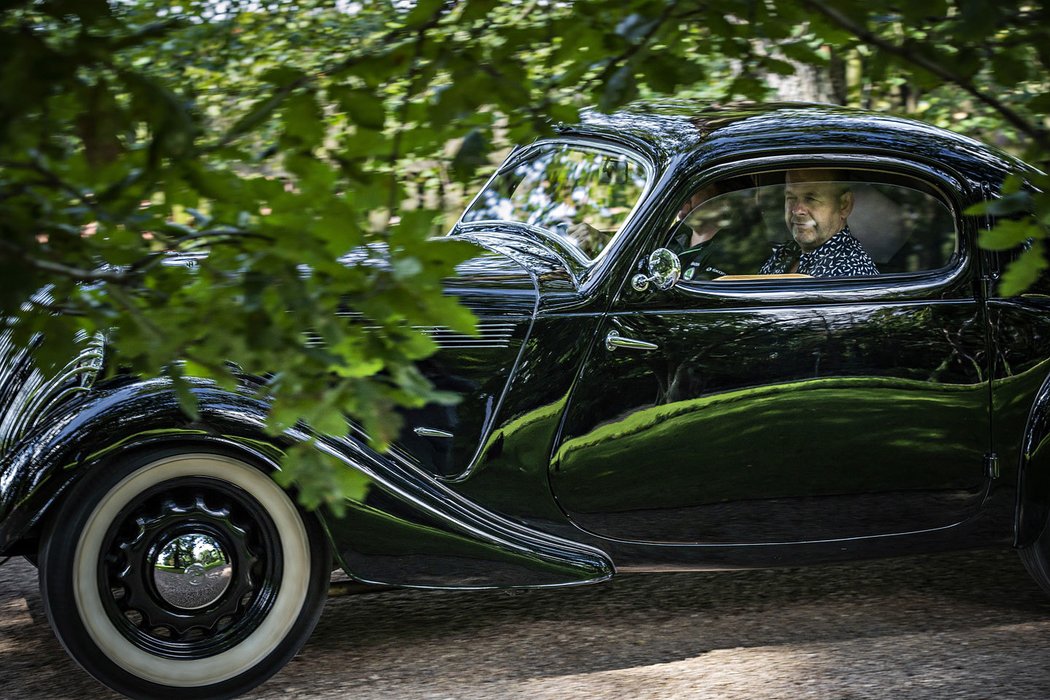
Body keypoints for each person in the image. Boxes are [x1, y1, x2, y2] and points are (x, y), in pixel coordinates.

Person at [760, 169, 879, 277]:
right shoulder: (787, 251)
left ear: (844, 205)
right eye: (791, 198)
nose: (797, 211)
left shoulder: (850, 273)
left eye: (810, 199)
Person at [668, 185, 729, 281]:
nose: (683, 202)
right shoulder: (673, 232)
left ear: (721, 202)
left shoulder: (729, 249)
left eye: (692, 191)